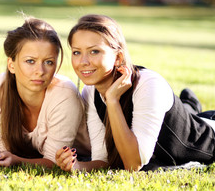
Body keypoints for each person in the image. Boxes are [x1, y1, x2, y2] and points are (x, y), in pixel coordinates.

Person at [55, 14, 215, 172]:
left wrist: (112, 100)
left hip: (206, 139)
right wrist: (76, 166)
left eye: (94, 51)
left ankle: (190, 104)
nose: (83, 61)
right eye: (76, 52)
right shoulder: (90, 91)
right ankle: (189, 104)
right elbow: (103, 159)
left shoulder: (148, 84)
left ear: (118, 57)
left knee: (192, 120)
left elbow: (133, 164)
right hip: (172, 127)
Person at [0, 17, 90, 169]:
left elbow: (53, 161)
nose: (40, 71)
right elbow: (3, 143)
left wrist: (16, 160)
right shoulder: (1, 85)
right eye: (30, 61)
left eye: (49, 62)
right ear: (11, 65)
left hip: (84, 156)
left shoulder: (64, 95)